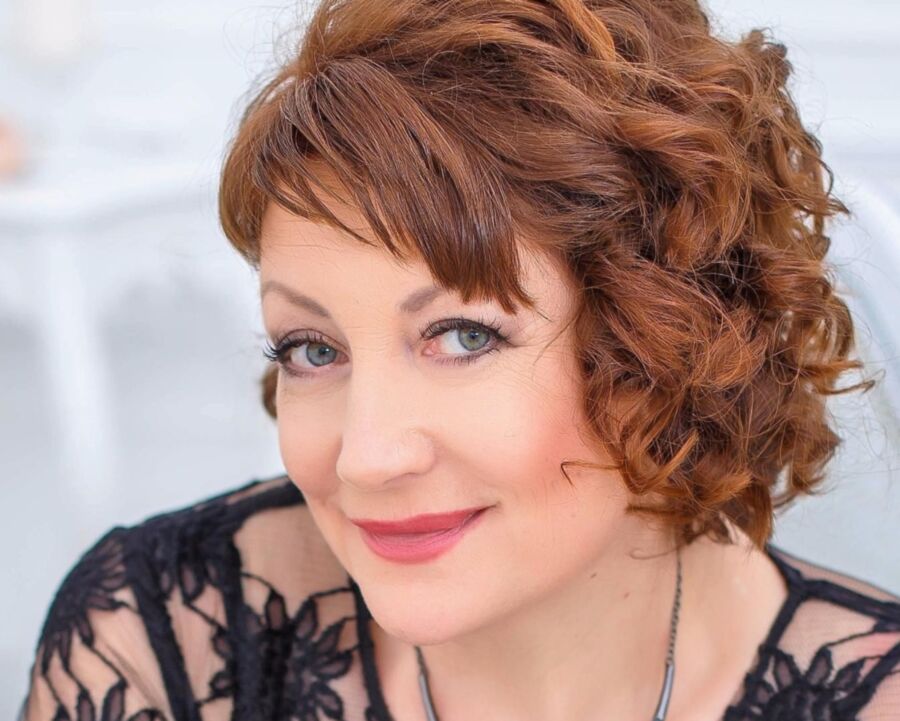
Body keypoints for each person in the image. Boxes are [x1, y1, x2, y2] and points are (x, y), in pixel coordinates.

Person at [18, 0, 900, 719]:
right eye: (313, 349)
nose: (367, 457)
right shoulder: (156, 641)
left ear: (668, 343)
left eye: (464, 336)